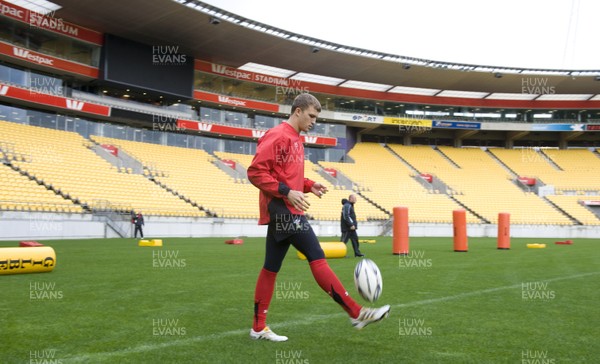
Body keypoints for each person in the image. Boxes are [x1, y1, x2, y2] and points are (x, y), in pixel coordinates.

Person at [247, 93, 390, 342]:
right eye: (311, 116)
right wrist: (287, 192)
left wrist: (308, 185)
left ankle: (258, 327)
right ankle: (356, 313)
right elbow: (255, 172)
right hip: (283, 209)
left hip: (286, 207)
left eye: (316, 117)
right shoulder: (279, 135)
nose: (314, 121)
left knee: (270, 269)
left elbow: (286, 176)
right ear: (298, 111)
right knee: (316, 256)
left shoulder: (295, 139)